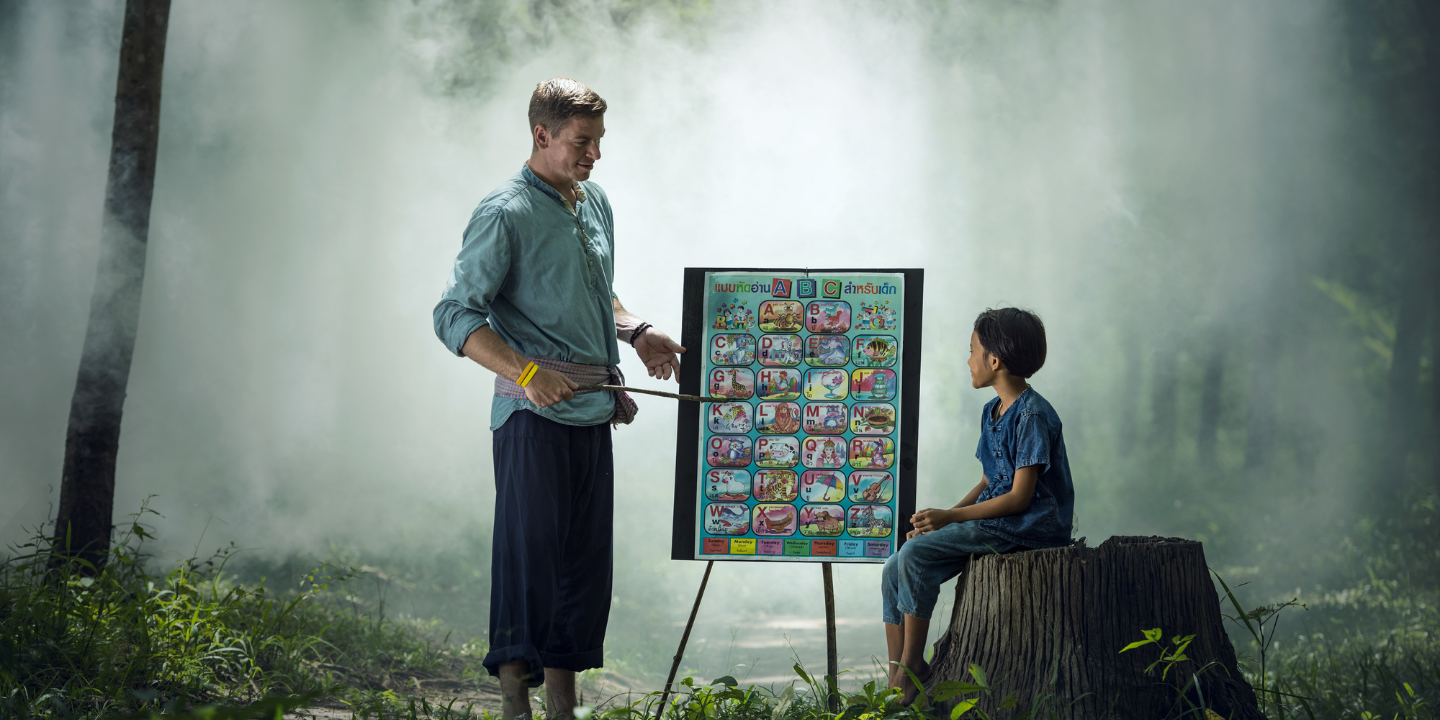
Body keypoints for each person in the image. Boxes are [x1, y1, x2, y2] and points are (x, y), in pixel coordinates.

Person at [432, 78, 684, 720]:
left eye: (598, 141)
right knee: (530, 558)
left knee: (583, 564)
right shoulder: (504, 212)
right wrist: (525, 373)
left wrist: (638, 332)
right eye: (581, 142)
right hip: (532, 416)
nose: (594, 154)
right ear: (542, 135)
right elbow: (454, 314)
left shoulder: (593, 201)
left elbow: (597, 291)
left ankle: (563, 709)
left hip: (592, 410)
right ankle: (515, 704)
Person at [880, 307, 1074, 701]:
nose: (968, 360)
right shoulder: (992, 411)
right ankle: (898, 672)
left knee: (915, 555)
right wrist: (940, 521)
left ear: (995, 360)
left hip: (1029, 525)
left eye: (972, 351)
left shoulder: (1032, 415)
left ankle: (911, 672)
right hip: (997, 520)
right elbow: (989, 479)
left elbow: (1019, 498)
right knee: (894, 565)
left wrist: (951, 517)